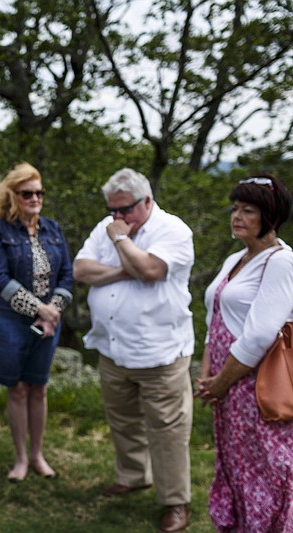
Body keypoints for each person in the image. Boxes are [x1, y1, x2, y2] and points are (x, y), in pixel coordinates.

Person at [73, 168, 194, 532]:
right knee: (123, 420)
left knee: (167, 430)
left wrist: (123, 246)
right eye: (112, 210)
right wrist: (127, 268)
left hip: (160, 353)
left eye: (124, 209)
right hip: (113, 348)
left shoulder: (173, 230)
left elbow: (152, 270)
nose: (117, 218)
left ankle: (175, 501)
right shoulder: (106, 226)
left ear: (146, 201)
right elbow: (81, 269)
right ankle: (133, 475)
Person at [196, 174, 293, 532]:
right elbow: (215, 319)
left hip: (260, 387)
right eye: (235, 208)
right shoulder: (236, 259)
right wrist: (208, 372)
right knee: (237, 467)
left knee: (266, 472)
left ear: (270, 216)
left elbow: (259, 335)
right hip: (229, 386)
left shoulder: (281, 262)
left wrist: (222, 382)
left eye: (248, 210)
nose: (237, 216)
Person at [0, 162, 72, 482]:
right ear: (14, 196)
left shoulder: (53, 230)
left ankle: (38, 456)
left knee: (39, 387)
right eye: (27, 193)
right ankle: (20, 459)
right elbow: (0, 277)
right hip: (10, 321)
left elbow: (67, 275)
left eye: (39, 192)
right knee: (17, 389)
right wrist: (39, 309)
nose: (35, 198)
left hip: (49, 319)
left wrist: (53, 310)